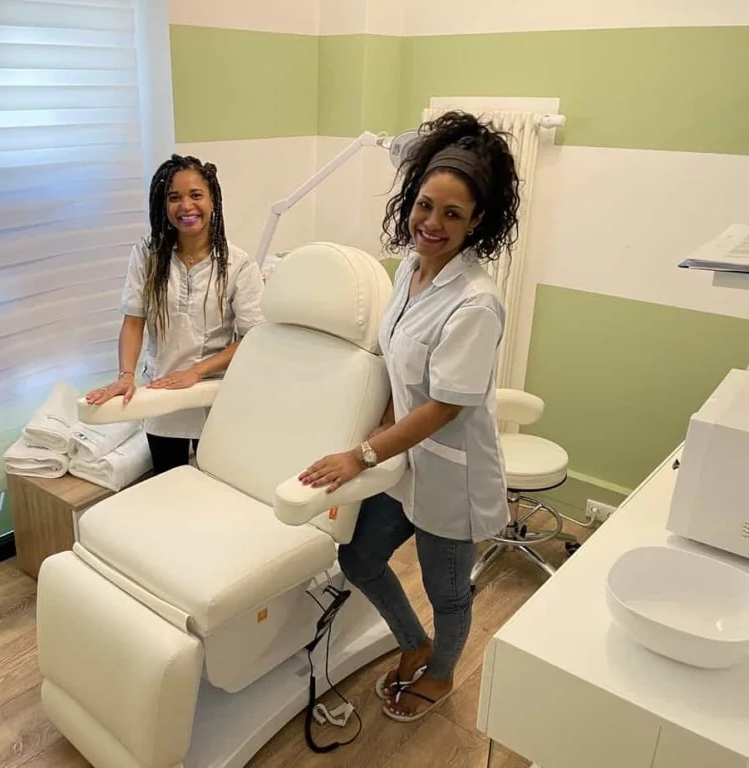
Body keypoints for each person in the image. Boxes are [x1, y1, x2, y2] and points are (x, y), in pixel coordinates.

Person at [298, 111, 520, 722]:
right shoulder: (408, 271)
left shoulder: (476, 302)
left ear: (478, 220)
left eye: (453, 214)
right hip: (403, 461)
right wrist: (378, 433)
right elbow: (402, 367)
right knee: (359, 558)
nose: (432, 223)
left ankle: (442, 675)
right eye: (426, 206)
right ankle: (411, 641)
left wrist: (363, 455)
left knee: (448, 593)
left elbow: (445, 406)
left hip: (451, 474)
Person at [85, 154, 265, 474]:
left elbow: (255, 339)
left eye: (196, 195)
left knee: (218, 483)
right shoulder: (147, 255)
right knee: (168, 484)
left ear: (213, 201)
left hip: (214, 395)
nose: (186, 206)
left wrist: (197, 372)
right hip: (162, 395)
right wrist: (125, 376)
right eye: (174, 197)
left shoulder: (239, 265)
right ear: (163, 204)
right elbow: (133, 321)